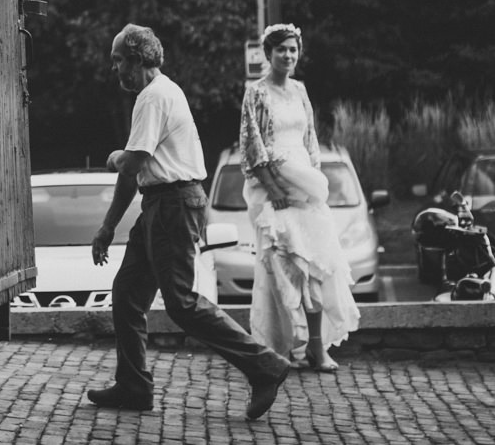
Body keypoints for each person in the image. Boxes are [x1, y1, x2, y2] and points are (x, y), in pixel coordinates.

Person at [87, 24, 291, 420]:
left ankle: (265, 366)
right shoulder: (159, 93)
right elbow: (136, 175)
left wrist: (114, 156)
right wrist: (109, 225)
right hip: (160, 205)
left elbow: (131, 163)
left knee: (180, 303)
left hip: (174, 205)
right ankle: (133, 385)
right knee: (127, 293)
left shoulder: (153, 96)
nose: (115, 71)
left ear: (137, 59)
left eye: (118, 62)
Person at [237, 23, 360, 371]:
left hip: (304, 186)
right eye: (282, 50)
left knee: (317, 266)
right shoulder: (256, 93)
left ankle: (317, 349)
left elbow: (311, 141)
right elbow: (252, 144)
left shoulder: (301, 91)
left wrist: (315, 184)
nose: (288, 55)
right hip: (272, 186)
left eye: (293, 49)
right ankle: (281, 346)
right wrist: (274, 190)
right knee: (283, 268)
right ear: (268, 53)